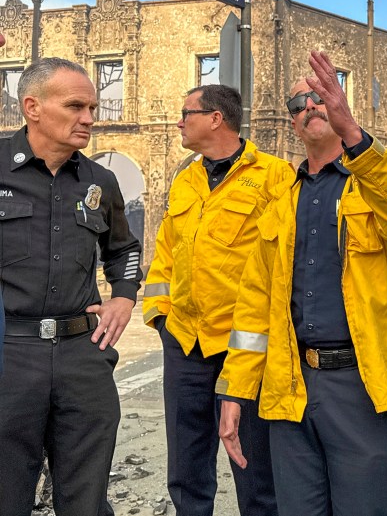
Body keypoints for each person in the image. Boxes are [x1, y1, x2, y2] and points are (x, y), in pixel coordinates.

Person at [216, 50, 387, 515]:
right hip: (290, 390)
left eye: (318, 97)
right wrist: (233, 392)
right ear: (291, 123)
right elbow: (253, 308)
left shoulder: (376, 185)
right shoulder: (279, 205)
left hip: (362, 389)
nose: (308, 107)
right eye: (297, 105)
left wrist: (351, 130)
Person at [0, 57, 143, 516]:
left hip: (83, 357)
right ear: (33, 107)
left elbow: (124, 249)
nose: (89, 118)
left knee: (86, 498)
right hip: (9, 352)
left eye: (93, 107)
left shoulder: (100, 181)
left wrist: (123, 295)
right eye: (76, 106)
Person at [142, 84, 291, 515]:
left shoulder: (273, 176)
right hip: (185, 344)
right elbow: (165, 252)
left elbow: (282, 262)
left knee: (255, 469)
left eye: (186, 113)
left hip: (243, 349)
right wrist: (161, 318)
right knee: (186, 471)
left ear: (215, 118)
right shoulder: (185, 177)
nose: (179, 122)